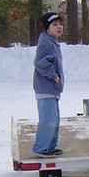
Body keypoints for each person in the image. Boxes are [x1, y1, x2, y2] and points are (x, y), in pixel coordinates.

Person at [32, 12, 65, 157]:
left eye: (60, 24)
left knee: (54, 119)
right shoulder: (46, 42)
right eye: (55, 24)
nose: (59, 27)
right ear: (47, 28)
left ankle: (50, 147)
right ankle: (41, 147)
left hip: (52, 89)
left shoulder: (52, 42)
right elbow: (40, 62)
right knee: (48, 119)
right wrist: (53, 75)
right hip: (46, 87)